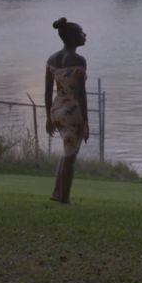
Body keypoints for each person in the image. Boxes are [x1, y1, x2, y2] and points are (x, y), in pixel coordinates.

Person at [45, 17, 90, 204]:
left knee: (67, 151)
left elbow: (48, 91)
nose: (85, 35)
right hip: (73, 111)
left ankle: (57, 192)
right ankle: (64, 198)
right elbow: (81, 93)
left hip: (57, 108)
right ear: (72, 37)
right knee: (70, 156)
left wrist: (48, 117)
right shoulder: (78, 60)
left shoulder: (52, 59)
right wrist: (85, 121)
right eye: (81, 33)